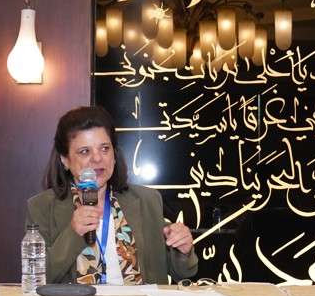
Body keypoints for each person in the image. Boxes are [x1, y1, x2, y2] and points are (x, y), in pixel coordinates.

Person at [26, 106, 197, 284]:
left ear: (114, 155)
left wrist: (183, 249)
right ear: (64, 160)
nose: (97, 158)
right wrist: (73, 233)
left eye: (105, 149)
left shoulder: (147, 200)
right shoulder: (42, 207)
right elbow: (36, 278)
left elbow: (184, 272)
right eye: (85, 151)